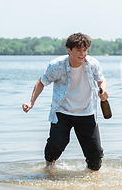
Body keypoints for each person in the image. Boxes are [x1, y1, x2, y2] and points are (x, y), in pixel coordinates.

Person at [22, 33, 109, 171]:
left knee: (96, 156)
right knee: (54, 147)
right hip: (63, 111)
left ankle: (92, 185)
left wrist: (102, 91)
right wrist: (31, 102)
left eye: (84, 50)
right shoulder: (56, 65)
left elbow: (101, 80)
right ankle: (48, 170)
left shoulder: (92, 64)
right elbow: (42, 82)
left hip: (87, 112)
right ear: (69, 50)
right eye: (78, 50)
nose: (82, 54)